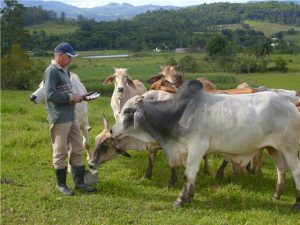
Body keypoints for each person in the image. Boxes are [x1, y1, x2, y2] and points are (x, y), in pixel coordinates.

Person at [44, 42, 95, 196]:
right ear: (59, 56)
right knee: (60, 151)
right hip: (59, 117)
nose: (71, 60)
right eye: (69, 57)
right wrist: (72, 98)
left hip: (71, 116)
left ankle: (79, 182)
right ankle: (61, 185)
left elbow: (68, 92)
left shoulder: (64, 70)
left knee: (77, 147)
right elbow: (50, 95)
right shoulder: (51, 71)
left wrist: (82, 97)